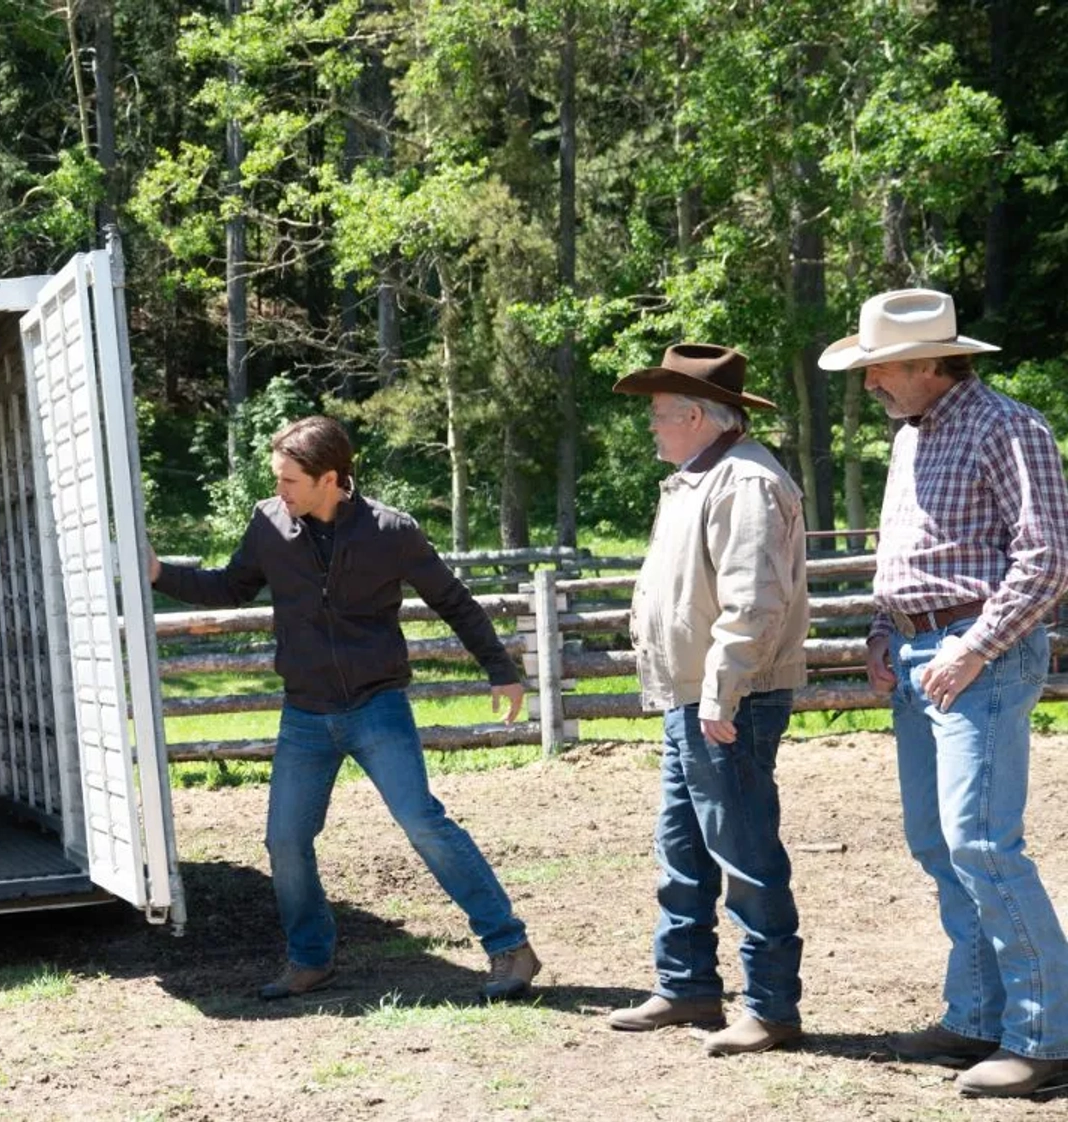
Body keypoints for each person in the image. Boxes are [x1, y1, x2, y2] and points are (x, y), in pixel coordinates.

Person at [147, 415, 540, 1002]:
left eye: (289, 480)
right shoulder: (268, 523)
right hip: (305, 715)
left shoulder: (390, 531)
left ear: (329, 478)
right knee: (285, 840)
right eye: (277, 479)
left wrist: (501, 671)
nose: (279, 491)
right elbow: (230, 586)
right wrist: (159, 574)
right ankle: (311, 959)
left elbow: (454, 601)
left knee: (423, 824)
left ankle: (510, 947)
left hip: (377, 708)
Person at [820, 288, 1068, 1098]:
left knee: (983, 845)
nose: (870, 384)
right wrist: (882, 632)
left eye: (880, 368)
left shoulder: (1010, 426)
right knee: (938, 844)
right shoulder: (910, 439)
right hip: (924, 649)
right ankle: (975, 1019)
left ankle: (1045, 1037)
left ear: (929, 362)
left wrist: (968, 647)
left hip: (977, 653)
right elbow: (910, 553)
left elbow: (1045, 562)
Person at [607, 344, 809, 1056]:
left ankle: (770, 1005)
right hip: (697, 696)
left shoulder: (744, 482)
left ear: (695, 415)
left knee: (744, 848)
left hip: (728, 699)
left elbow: (752, 603)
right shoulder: (708, 477)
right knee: (685, 848)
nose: (652, 429)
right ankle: (688, 984)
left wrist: (721, 693)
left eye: (660, 415)